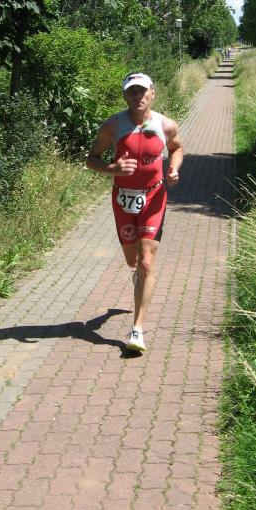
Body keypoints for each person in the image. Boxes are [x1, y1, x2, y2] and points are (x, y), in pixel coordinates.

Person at [86, 72, 183, 352]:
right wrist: (112, 169)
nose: (137, 96)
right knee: (133, 261)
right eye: (132, 92)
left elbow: (177, 148)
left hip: (154, 197)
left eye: (142, 91)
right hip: (123, 200)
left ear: (153, 93)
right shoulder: (112, 126)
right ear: (125, 96)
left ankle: (137, 330)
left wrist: (173, 168)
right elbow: (91, 159)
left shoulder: (166, 125)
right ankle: (138, 276)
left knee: (147, 262)